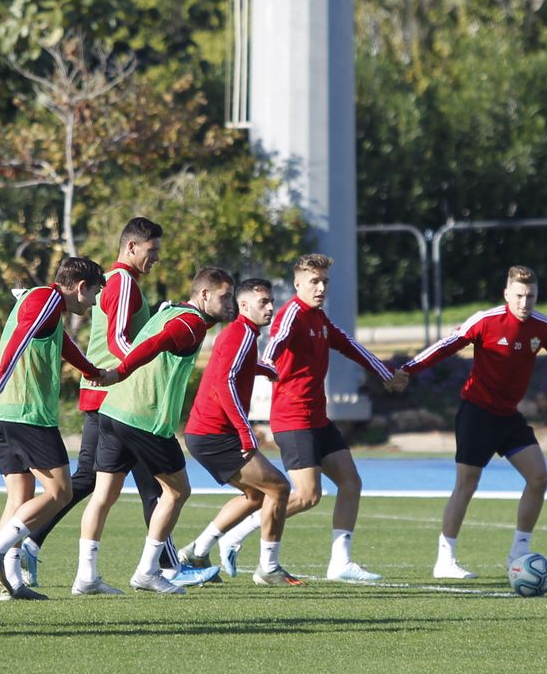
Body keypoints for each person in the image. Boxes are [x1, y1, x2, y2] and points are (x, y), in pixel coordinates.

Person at [18, 217, 209, 586]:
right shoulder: (122, 282)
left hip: (117, 396)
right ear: (132, 247)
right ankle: (30, 542)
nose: (157, 259)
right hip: (112, 396)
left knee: (129, 484)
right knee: (123, 483)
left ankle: (148, 567)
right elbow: (118, 340)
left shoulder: (127, 282)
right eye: (152, 251)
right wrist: (126, 371)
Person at [393, 265, 547, 578]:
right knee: (467, 485)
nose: (524, 302)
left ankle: (519, 551)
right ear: (507, 294)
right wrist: (407, 370)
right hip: (476, 413)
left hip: (508, 416)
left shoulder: (543, 327)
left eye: (530, 295)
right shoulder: (485, 320)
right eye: (519, 295)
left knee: (539, 478)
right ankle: (445, 560)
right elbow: (445, 346)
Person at [75, 267, 237, 595]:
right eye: (225, 297)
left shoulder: (176, 310)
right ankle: (149, 571)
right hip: (143, 419)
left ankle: (86, 577)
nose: (231, 303)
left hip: (112, 410)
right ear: (204, 295)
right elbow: (157, 343)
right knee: (177, 492)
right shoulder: (190, 324)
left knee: (104, 495)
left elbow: (156, 333)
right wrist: (119, 372)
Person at [240, 252, 398, 583]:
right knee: (309, 495)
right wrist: (267, 367)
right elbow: (274, 344)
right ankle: (238, 533)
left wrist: (386, 373)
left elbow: (350, 345)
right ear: (298, 283)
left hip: (317, 418)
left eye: (325, 281)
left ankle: (340, 562)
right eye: (314, 281)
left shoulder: (319, 319)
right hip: (292, 418)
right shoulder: (292, 314)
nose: (321, 287)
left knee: (351, 483)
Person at [0, 257, 115, 601]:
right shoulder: (46, 299)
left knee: (20, 495)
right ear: (80, 287)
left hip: (0, 412)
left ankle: (12, 585)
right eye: (94, 293)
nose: (94, 302)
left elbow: (61, 343)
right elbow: (23, 335)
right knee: (61, 492)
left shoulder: (46, 305)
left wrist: (91, 370)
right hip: (25, 413)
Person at [176, 278, 298, 585]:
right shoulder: (242, 332)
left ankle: (197, 551)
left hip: (206, 433)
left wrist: (259, 367)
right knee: (279, 488)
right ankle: (268, 568)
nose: (270, 307)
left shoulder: (243, 334)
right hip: (216, 433)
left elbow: (228, 368)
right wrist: (246, 432)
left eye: (271, 301)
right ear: (243, 305)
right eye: (263, 302)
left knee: (256, 494)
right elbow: (224, 383)